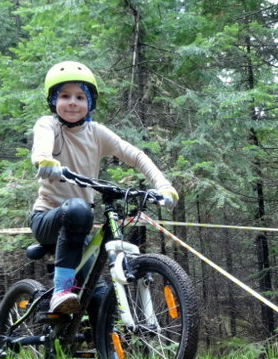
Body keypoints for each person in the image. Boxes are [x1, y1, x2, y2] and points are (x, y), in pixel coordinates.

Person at [30, 60, 179, 314]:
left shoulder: (96, 133)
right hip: (47, 218)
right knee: (78, 210)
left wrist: (163, 185)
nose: (73, 102)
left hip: (80, 224)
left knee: (97, 294)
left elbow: (135, 155)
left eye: (80, 96)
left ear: (90, 103)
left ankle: (103, 346)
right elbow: (41, 145)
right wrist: (45, 161)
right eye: (65, 96)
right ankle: (61, 290)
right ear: (53, 101)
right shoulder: (49, 125)